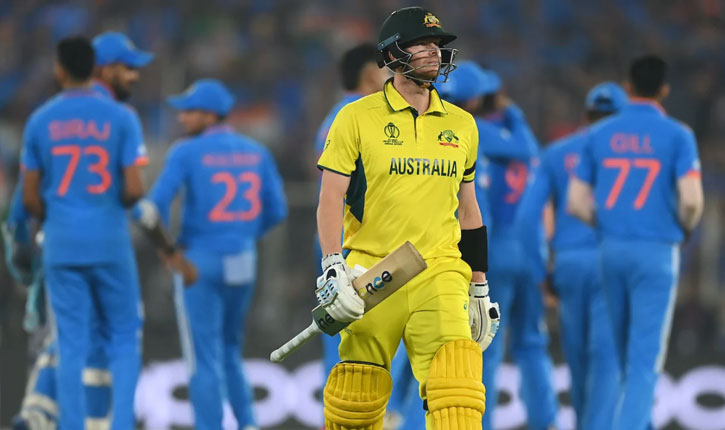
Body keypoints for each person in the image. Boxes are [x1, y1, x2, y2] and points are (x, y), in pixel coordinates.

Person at [315, 6, 499, 430]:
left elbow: (469, 210)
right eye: (423, 44)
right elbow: (330, 199)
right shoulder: (355, 117)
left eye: (438, 45)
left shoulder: (463, 125)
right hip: (371, 271)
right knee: (354, 407)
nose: (435, 52)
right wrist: (332, 265)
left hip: (441, 272)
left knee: (457, 396)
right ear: (393, 53)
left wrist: (479, 284)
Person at [8, 31, 155, 430]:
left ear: (59, 70)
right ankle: (119, 424)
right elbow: (134, 190)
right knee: (124, 338)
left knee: (70, 342)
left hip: (61, 243)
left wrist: (57, 215)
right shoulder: (122, 117)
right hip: (110, 241)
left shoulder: (41, 120)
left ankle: (65, 423)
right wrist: (107, 204)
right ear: (96, 68)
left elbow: (28, 198)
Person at [137, 79, 287, 430]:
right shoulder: (257, 152)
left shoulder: (185, 151)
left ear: (209, 115)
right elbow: (277, 210)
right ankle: (248, 423)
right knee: (231, 350)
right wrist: (244, 236)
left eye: (189, 111)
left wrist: (168, 251)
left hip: (199, 264)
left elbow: (151, 210)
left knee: (203, 359)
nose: (182, 117)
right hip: (244, 262)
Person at [568, 55, 704, 430]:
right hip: (656, 252)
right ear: (664, 90)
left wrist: (608, 224)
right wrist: (684, 227)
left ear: (628, 87)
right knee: (645, 359)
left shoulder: (598, 134)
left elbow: (576, 202)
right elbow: (692, 201)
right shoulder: (679, 135)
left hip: (611, 250)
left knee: (624, 352)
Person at [516, 82, 628, 430]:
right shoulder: (630, 155)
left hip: (568, 265)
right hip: (612, 262)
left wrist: (541, 273)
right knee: (606, 361)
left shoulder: (556, 153)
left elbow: (526, 219)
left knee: (578, 360)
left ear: (586, 115)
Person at [457, 63, 558, 430]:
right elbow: (542, 197)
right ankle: (546, 421)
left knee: (485, 344)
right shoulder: (522, 138)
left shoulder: (469, 132)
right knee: (532, 343)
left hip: (494, 253)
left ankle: (480, 424)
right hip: (531, 252)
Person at [314, 42, 389, 385]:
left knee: (340, 331)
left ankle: (336, 407)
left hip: (336, 237)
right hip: (359, 239)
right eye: (387, 69)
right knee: (370, 336)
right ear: (371, 74)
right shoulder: (364, 115)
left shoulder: (334, 116)